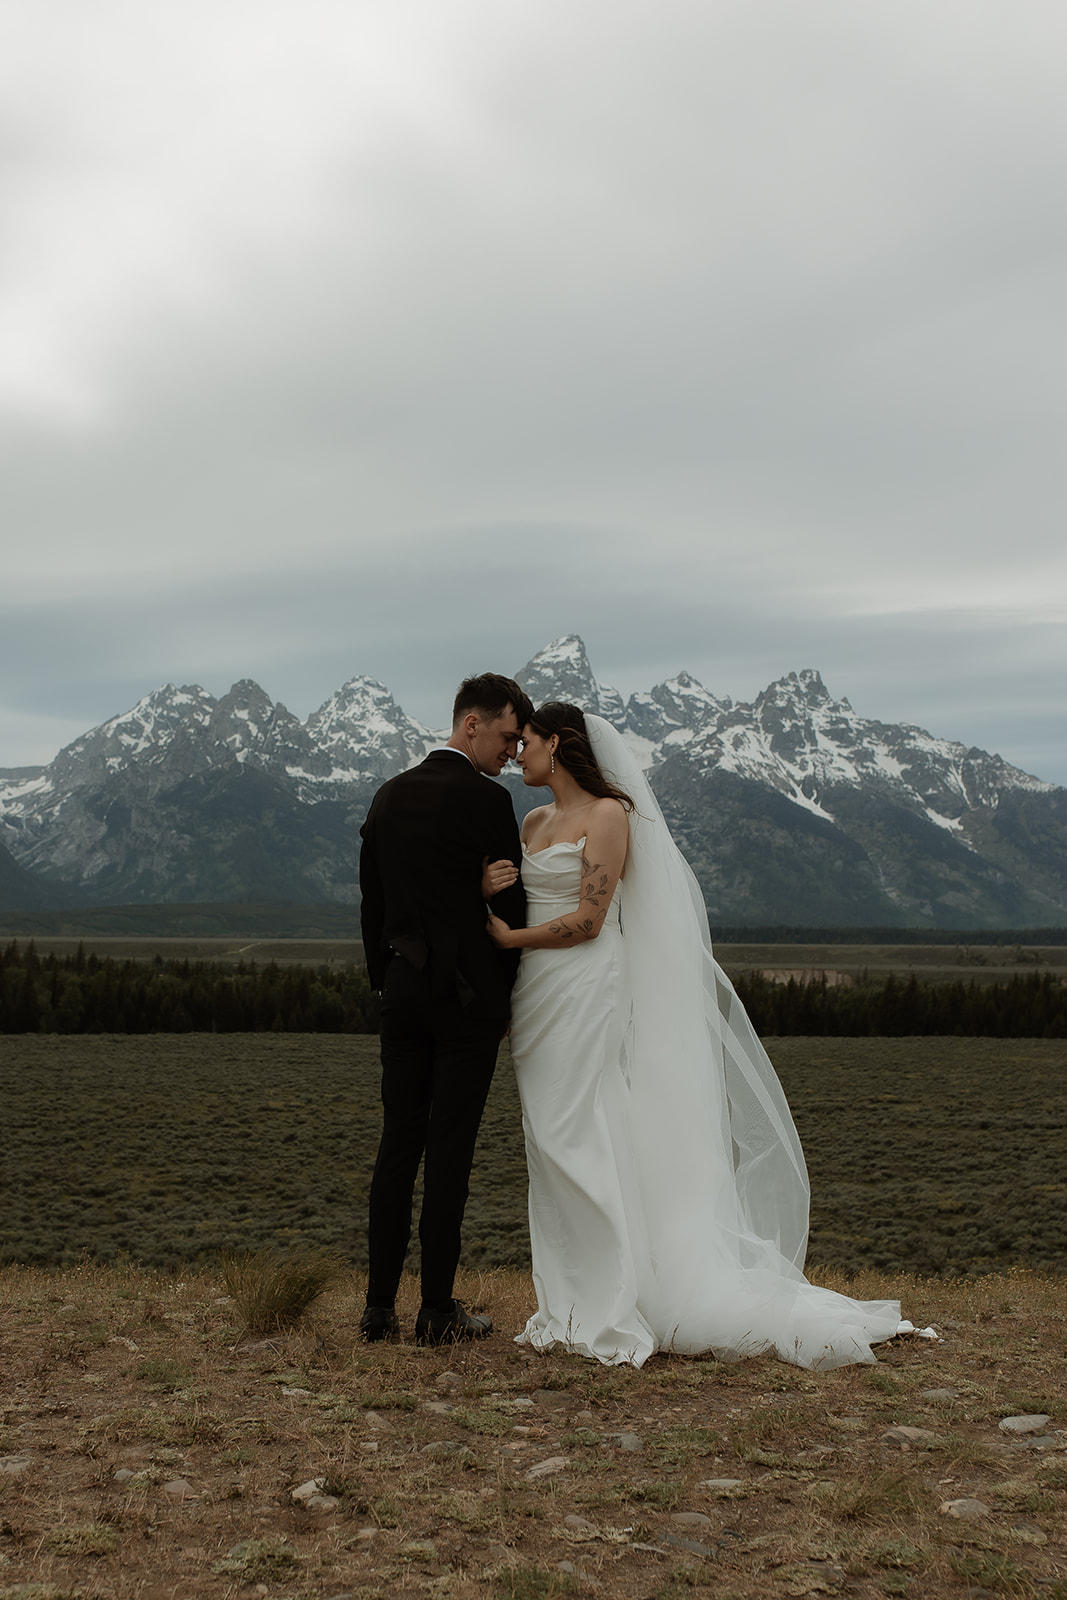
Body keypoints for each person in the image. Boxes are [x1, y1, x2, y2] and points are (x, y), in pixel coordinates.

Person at [486, 703, 906, 1369]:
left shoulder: (607, 815)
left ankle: (611, 1298)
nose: (517, 754)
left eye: (527, 741)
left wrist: (512, 936)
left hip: (582, 983)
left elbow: (591, 919)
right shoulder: (533, 820)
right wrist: (492, 896)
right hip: (533, 989)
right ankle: (565, 1300)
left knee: (581, 1128)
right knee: (547, 1137)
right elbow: (519, 895)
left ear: (558, 744)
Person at [358, 672, 532, 1345]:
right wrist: (502, 992)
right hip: (466, 1002)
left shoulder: (388, 795)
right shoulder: (487, 803)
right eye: (508, 737)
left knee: (397, 1143)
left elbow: (374, 903)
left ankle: (377, 1310)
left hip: (402, 991)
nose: (512, 753)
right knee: (449, 1153)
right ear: (471, 726)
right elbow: (509, 910)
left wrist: (387, 977)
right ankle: (435, 1310)